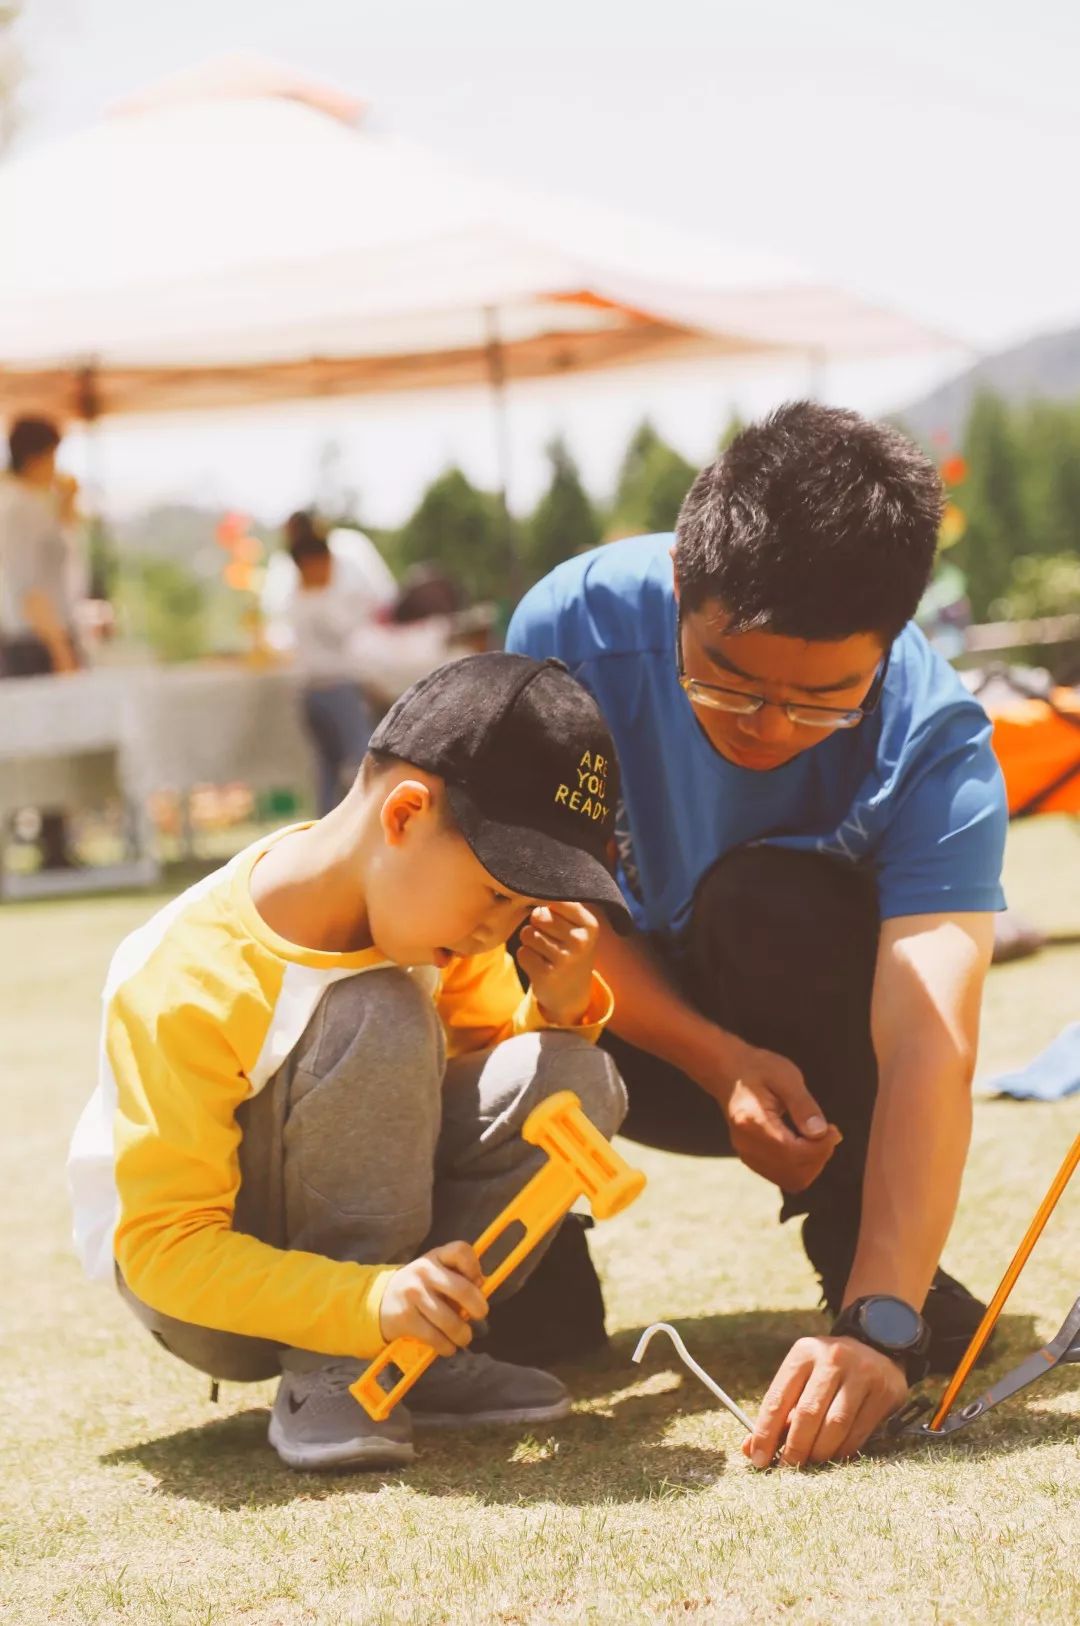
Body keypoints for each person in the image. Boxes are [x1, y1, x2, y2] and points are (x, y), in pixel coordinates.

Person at [506, 402, 1008, 1469]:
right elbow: (559, 902)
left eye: (823, 698)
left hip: (815, 1070)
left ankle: (868, 1261)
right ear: (682, 589)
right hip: (617, 1033)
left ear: (890, 644)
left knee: (772, 902)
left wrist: (881, 1321)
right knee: (475, 897)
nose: (769, 725)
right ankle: (520, 1264)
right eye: (726, 679)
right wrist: (717, 1058)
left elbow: (929, 1039)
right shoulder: (574, 628)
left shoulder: (934, 737)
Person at [67, 652, 631, 1473]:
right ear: (404, 814)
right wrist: (365, 1303)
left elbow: (484, 1089)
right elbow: (165, 1248)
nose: (500, 927)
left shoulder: (436, 926)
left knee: (572, 1078)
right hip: (209, 1296)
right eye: (499, 892)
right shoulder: (188, 972)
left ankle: (418, 1355)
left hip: (375, 1275)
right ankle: (341, 1366)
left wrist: (559, 1005)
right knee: (378, 1008)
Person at [0, 415, 83, 868]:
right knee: (49, 742)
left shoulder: (33, 501)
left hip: (45, 634)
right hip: (38, 638)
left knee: (56, 743)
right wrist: (60, 646)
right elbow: (27, 586)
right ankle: (53, 845)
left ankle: (57, 839)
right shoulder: (18, 505)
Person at [279, 511, 393, 816]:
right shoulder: (319, 600)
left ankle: (326, 824)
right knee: (358, 760)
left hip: (311, 692)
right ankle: (361, 821)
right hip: (336, 688)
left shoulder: (294, 600)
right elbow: (343, 630)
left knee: (327, 770)